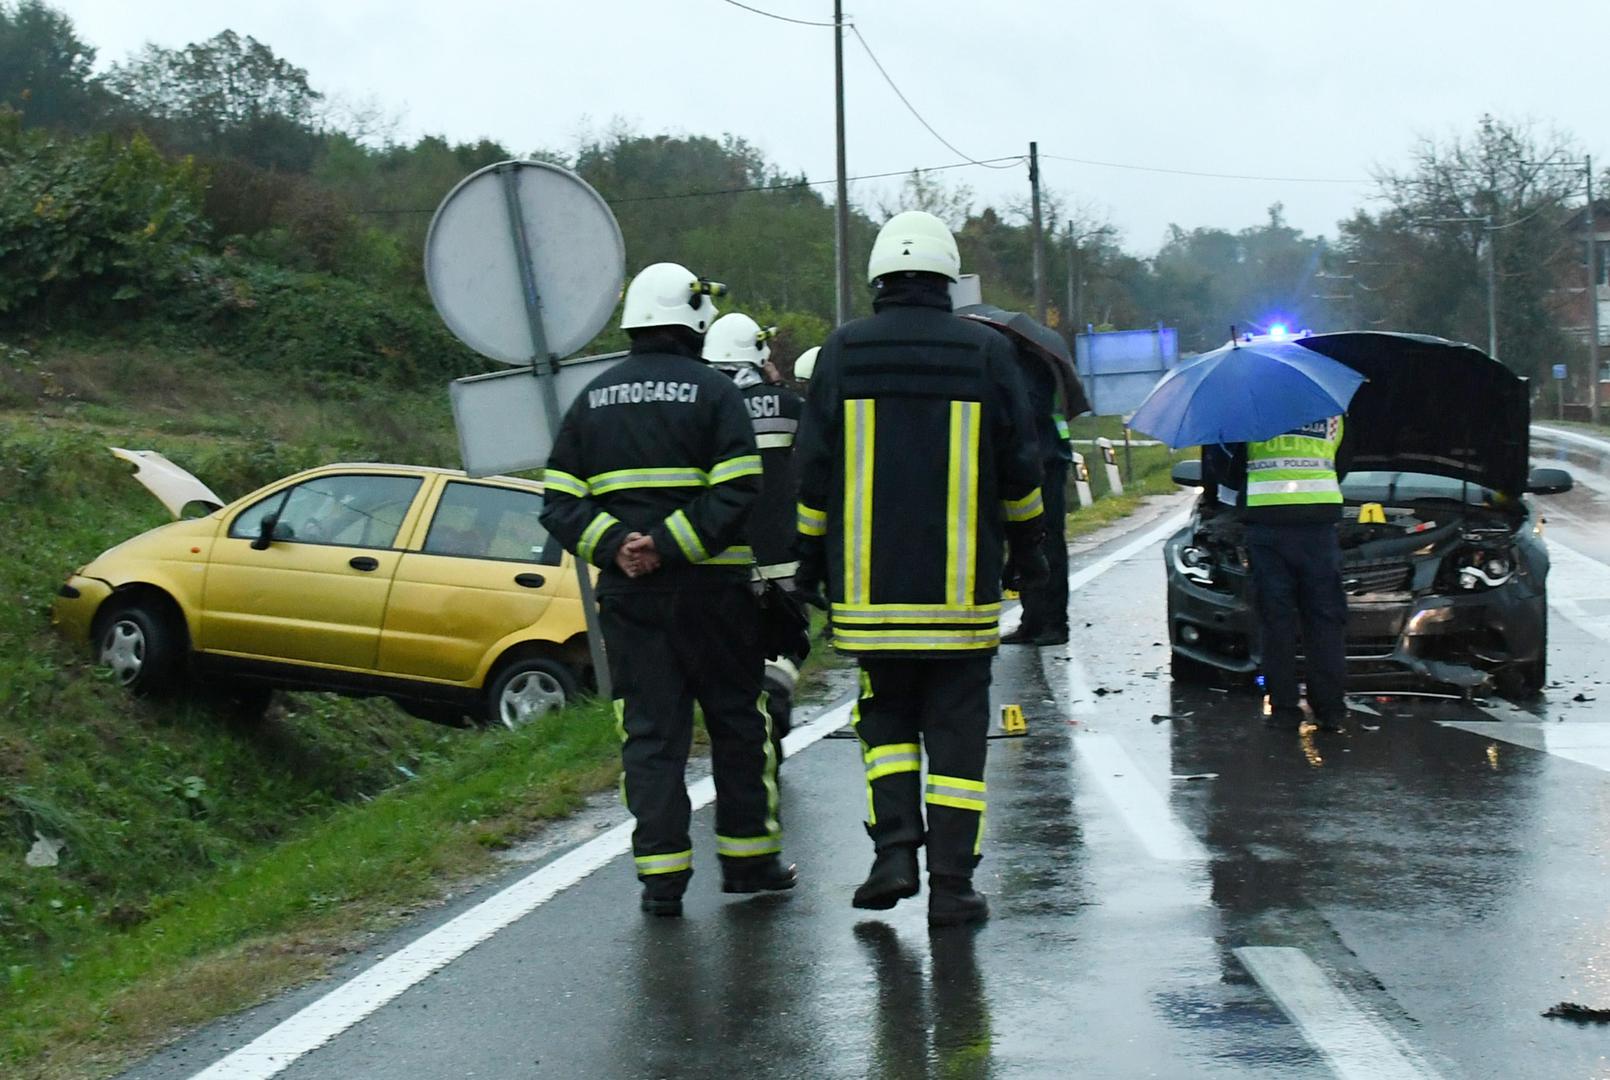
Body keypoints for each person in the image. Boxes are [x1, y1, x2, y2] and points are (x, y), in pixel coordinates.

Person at [793, 211, 1048, 927]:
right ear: (949, 277)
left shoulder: (842, 353)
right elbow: (1021, 472)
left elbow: (812, 475)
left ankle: (894, 853)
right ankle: (953, 886)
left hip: (871, 598)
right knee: (958, 735)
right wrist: (1032, 556)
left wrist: (807, 565)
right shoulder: (986, 354)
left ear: (878, 279)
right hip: (961, 597)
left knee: (888, 727)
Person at [540, 262, 796, 918]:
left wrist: (618, 545)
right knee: (739, 723)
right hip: (715, 596)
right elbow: (741, 486)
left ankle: (661, 882)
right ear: (694, 316)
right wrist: (672, 542)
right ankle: (747, 863)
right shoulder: (715, 396)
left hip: (629, 600)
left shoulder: (591, 399)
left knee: (651, 737)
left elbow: (560, 501)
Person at [702, 312, 810, 756]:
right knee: (791, 642)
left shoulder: (702, 407)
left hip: (724, 563)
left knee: (733, 653)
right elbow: (814, 471)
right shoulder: (788, 407)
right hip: (783, 558)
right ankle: (777, 694)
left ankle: (751, 737)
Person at [1202, 415, 1351, 731]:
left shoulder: (1253, 412)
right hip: (1318, 526)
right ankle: (1331, 710)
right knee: (1324, 620)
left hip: (1268, 528)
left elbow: (1229, 471)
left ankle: (1284, 710)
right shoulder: (1332, 411)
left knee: (1276, 621)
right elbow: (1345, 464)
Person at [999, 342, 1074, 646]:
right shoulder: (1020, 363)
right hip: (1032, 460)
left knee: (1047, 542)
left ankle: (1054, 624)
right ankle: (1032, 621)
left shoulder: (1030, 366)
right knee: (1025, 541)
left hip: (1046, 463)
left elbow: (1031, 410)